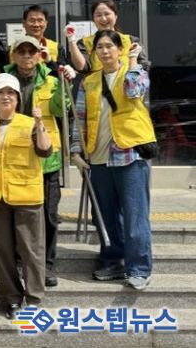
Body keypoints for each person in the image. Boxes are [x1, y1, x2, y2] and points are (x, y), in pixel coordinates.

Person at [70, 30, 155, 290]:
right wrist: (75, 152)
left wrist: (133, 61)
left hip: (129, 153)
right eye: (100, 47)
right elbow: (80, 117)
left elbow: (133, 92)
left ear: (120, 49)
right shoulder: (89, 82)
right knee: (104, 216)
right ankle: (113, 262)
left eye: (110, 46)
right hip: (97, 156)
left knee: (134, 215)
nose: (105, 51)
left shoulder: (136, 73)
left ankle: (139, 268)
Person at [3, 36, 74, 287]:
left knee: (48, 215)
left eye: (31, 52)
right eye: (21, 51)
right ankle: (21, 262)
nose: (26, 56)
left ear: (39, 55)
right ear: (14, 55)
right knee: (17, 215)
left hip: (46, 159)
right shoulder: (4, 81)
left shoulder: (52, 80)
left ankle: (46, 265)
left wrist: (65, 86)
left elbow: (60, 109)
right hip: (15, 158)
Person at [0, 73, 52, 319]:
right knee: (3, 252)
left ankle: (33, 298)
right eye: (0, 93)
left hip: (27, 196)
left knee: (31, 250)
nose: (5, 97)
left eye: (10, 93)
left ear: (18, 98)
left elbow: (45, 150)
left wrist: (40, 124)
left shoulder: (29, 122)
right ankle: (12, 298)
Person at [68, 0, 150, 74]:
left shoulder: (131, 41)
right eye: (98, 15)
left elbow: (144, 67)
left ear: (116, 16)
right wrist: (71, 40)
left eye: (107, 14)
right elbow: (82, 67)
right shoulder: (84, 43)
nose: (103, 19)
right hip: (96, 84)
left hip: (126, 84)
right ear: (93, 19)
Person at [8, 5, 66, 74]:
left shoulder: (57, 48)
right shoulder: (12, 48)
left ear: (46, 23)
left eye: (40, 20)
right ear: (24, 23)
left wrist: (49, 62)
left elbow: (62, 76)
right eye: (32, 20)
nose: (36, 24)